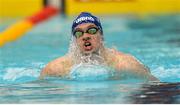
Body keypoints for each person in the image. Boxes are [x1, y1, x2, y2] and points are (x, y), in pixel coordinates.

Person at [40, 12, 158, 81]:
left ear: (101, 34)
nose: (85, 36)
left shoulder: (124, 64)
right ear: (74, 40)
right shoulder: (56, 68)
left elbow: (155, 85)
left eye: (91, 30)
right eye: (79, 33)